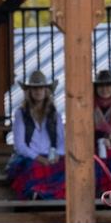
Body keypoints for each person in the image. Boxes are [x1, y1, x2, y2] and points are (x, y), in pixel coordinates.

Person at [7, 70, 66, 201]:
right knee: (34, 168)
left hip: (51, 156)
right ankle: (35, 194)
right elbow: (20, 145)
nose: (38, 91)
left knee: (66, 167)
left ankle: (50, 195)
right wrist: (38, 157)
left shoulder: (54, 115)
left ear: (46, 91)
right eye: (34, 89)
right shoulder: (21, 114)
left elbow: (62, 140)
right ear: (29, 92)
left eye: (41, 88)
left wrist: (58, 154)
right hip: (29, 157)